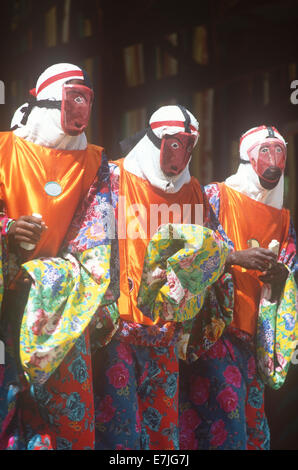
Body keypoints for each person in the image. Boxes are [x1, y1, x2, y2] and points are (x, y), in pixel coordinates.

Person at [12, 104, 233, 450]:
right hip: (120, 335)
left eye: (188, 145)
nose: (182, 154)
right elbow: (86, 240)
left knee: (164, 441)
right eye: (174, 143)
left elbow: (217, 246)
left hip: (164, 337)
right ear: (155, 139)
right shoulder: (112, 177)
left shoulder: (195, 194)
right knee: (121, 440)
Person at [0, 63, 116, 450]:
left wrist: (52, 274)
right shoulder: (4, 150)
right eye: (73, 101)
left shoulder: (98, 166)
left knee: (67, 416)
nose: (80, 111)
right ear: (48, 103)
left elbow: (96, 236)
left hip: (63, 305)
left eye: (86, 101)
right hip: (6, 298)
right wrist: (7, 229)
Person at [179, 125, 298, 450]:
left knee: (255, 432)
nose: (274, 160)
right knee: (225, 427)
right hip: (217, 333)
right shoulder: (215, 196)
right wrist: (232, 257)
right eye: (266, 151)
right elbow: (184, 250)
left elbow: (290, 270)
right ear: (248, 157)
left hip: (254, 340)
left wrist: (280, 275)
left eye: (279, 152)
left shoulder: (283, 218)